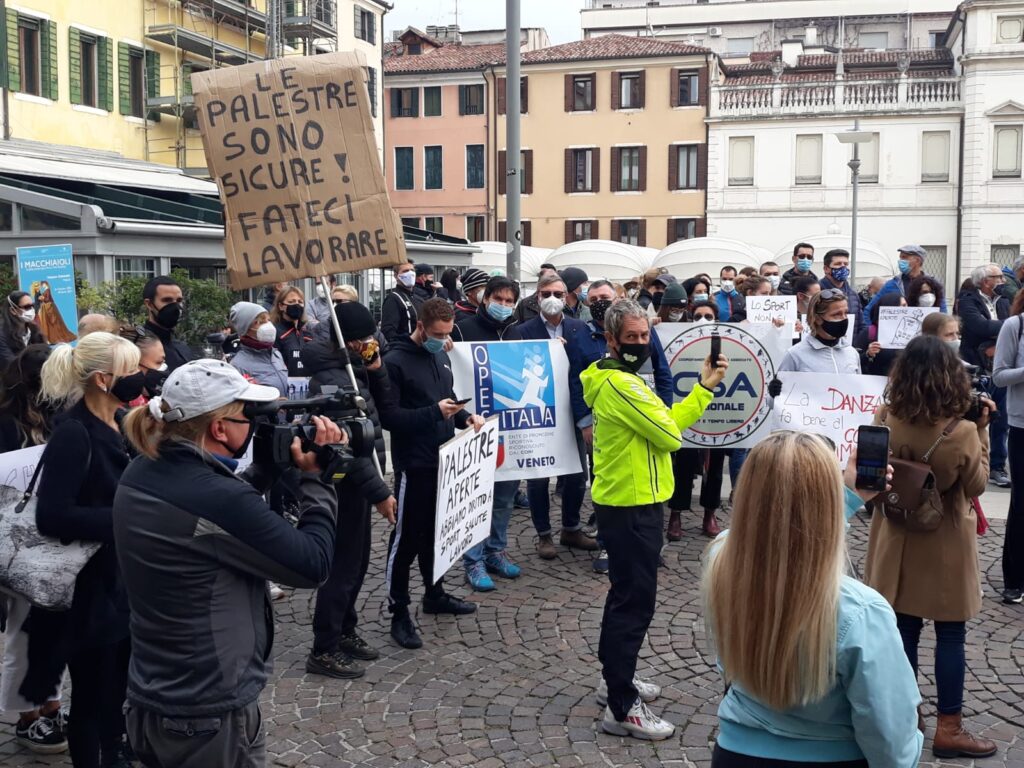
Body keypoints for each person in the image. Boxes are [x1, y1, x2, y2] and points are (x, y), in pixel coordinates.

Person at [114, 359, 342, 768]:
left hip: (155, 690)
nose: (253, 425)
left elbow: (211, 522)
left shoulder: (142, 470)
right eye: (247, 415)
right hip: (208, 711)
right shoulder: (215, 497)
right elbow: (314, 565)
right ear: (218, 428)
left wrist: (264, 473)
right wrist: (316, 481)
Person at [704, 431, 922, 767]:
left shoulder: (720, 560)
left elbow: (765, 537)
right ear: (826, 504)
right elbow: (889, 736)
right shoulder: (861, 611)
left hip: (734, 753)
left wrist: (851, 495)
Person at [580, 300, 727, 740]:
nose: (641, 344)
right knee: (634, 603)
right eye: (632, 338)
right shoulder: (623, 385)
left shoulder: (622, 380)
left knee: (625, 597)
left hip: (634, 502)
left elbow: (665, 424)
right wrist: (696, 396)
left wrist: (702, 388)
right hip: (630, 508)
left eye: (645, 337)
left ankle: (616, 682)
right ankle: (623, 707)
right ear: (611, 339)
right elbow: (668, 433)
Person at [865, 336, 996, 759]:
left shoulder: (886, 414)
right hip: (944, 540)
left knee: (903, 630)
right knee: (951, 634)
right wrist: (983, 432)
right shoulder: (959, 432)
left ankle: (907, 717)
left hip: (895, 536)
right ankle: (949, 728)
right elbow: (975, 485)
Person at [31, 332, 144, 767]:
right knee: (93, 696)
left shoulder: (122, 423)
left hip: (121, 582)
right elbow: (52, 517)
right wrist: (125, 518)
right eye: (131, 370)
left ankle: (116, 750)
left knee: (118, 689)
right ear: (103, 379)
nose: (139, 378)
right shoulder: (74, 434)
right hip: (85, 591)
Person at [300, 301, 397, 679]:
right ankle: (324, 646)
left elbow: (382, 410)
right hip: (343, 481)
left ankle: (346, 627)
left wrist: (377, 371)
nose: (370, 343)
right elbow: (346, 448)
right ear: (347, 340)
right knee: (342, 566)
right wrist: (380, 493)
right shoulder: (328, 378)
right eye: (362, 339)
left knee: (357, 562)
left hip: (364, 477)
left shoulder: (356, 368)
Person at [382, 298, 483, 649]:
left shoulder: (440, 354)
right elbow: (390, 418)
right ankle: (399, 611)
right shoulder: (394, 362)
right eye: (437, 334)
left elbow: (447, 399)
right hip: (415, 463)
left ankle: (434, 593)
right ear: (421, 327)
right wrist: (433, 413)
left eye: (447, 333)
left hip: (445, 459)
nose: (443, 339)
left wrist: (464, 418)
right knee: (406, 539)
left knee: (437, 535)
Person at [0, 345, 66, 755]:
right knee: (23, 630)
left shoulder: (60, 416)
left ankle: (52, 704)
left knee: (53, 626)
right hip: (16, 537)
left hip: (54, 532)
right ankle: (27, 715)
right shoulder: (6, 421)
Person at [515, 274, 596, 558]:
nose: (553, 299)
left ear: (567, 297)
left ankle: (571, 529)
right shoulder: (522, 331)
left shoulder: (578, 328)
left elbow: (588, 371)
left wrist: (586, 418)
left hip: (572, 413)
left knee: (576, 475)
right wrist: (546, 354)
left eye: (558, 294)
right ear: (537, 297)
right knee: (538, 477)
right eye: (546, 293)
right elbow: (515, 371)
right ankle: (544, 535)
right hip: (538, 415)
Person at [455, 277, 524, 589]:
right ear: (485, 298)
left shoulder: (516, 331)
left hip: (510, 428)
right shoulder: (462, 329)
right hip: (476, 427)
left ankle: (496, 550)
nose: (504, 305)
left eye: (510, 301)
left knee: (505, 497)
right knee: (476, 495)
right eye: (499, 298)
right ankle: (473, 561)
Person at [958, 263, 1010, 487]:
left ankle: (997, 466)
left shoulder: (1005, 301)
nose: (1003, 281)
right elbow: (980, 326)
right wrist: (1008, 327)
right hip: (976, 366)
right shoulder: (968, 300)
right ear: (986, 281)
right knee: (973, 415)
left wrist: (1003, 330)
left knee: (1001, 418)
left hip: (1000, 366)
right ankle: (970, 462)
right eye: (998, 277)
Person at [993, 289, 1024, 604]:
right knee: (1021, 505)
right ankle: (1015, 579)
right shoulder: (1015, 326)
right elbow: (999, 376)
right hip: (1021, 425)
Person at [777, 290, 860, 374]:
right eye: (836, 314)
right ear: (818, 319)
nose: (844, 318)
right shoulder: (795, 355)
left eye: (846, 313)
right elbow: (784, 384)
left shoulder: (852, 353)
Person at [864, 245, 948, 322]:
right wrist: (871, 332)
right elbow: (868, 310)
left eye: (904, 258)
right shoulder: (892, 284)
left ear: (917, 260)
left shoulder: (933, 285)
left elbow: (943, 312)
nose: (900, 261)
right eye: (900, 258)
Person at [228, 302, 289, 398]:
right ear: (245, 329)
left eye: (268, 320)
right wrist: (270, 405)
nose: (267, 325)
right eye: (259, 322)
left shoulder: (276, 354)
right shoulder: (238, 365)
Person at [142, 276, 195, 372]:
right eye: (167, 300)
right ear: (149, 304)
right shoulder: (136, 347)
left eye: (179, 301)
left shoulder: (183, 348)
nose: (175, 306)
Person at [853, 293, 905, 377]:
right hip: (876, 384)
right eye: (903, 306)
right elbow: (854, 360)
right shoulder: (870, 332)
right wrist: (868, 354)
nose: (906, 309)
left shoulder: (910, 332)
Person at [270, 286, 316, 377]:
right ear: (281, 306)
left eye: (300, 302)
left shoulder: (308, 332)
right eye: (291, 302)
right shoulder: (274, 332)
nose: (297, 305)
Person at [118, 326, 167, 406]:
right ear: (132, 365)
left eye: (163, 361)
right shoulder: (121, 409)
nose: (164, 367)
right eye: (159, 362)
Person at [819, 249, 864, 335]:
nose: (843, 267)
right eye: (838, 264)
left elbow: (861, 324)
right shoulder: (818, 292)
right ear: (826, 269)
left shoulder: (853, 294)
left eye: (846, 264)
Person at [0, 291, 46, 367]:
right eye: (27, 307)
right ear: (13, 310)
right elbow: (10, 363)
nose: (31, 310)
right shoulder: (2, 334)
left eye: (32, 306)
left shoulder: (34, 330)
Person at [380, 261, 418, 343]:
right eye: (405, 271)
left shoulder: (418, 298)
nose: (410, 273)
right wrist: (409, 340)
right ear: (396, 276)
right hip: (405, 349)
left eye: (412, 270)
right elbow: (388, 331)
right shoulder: (393, 299)